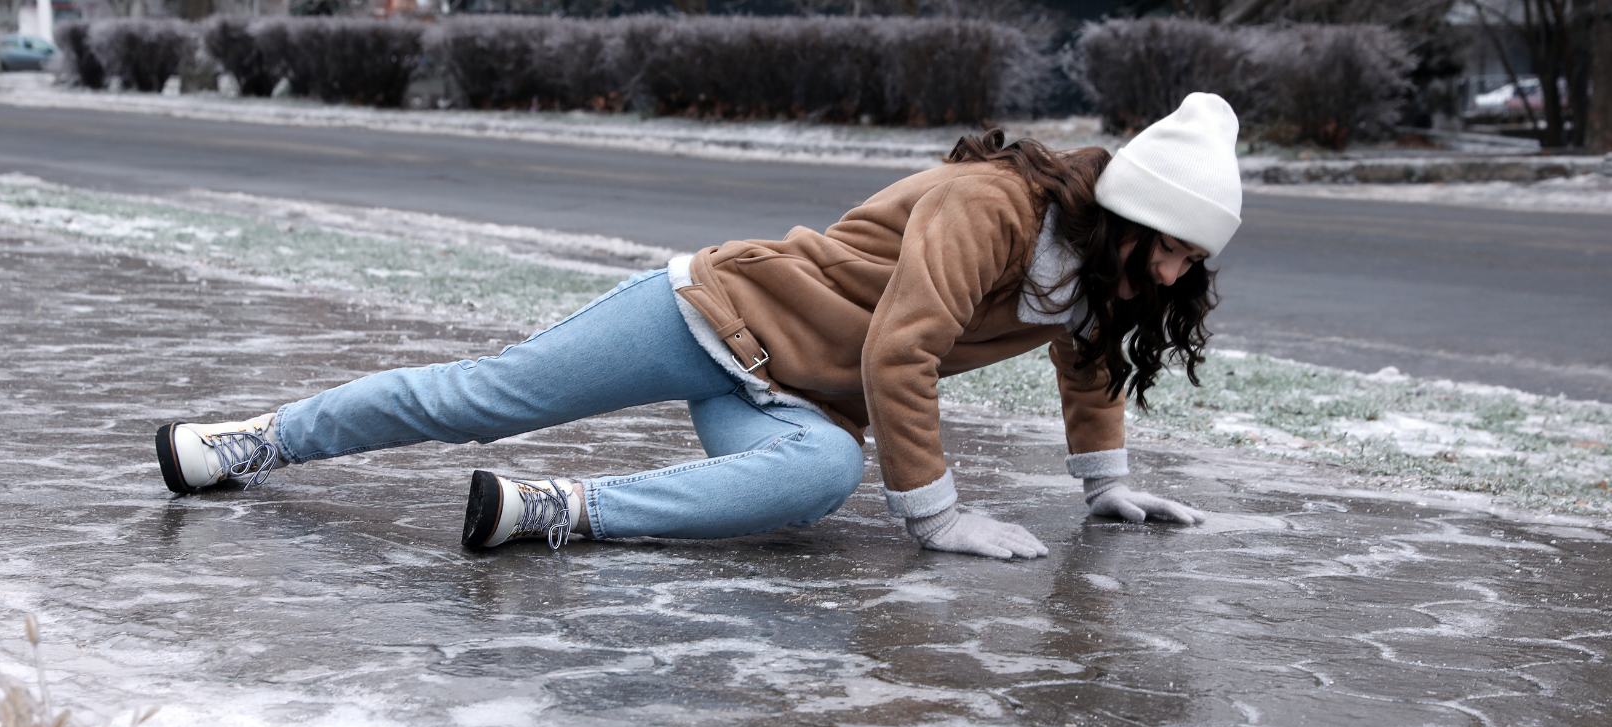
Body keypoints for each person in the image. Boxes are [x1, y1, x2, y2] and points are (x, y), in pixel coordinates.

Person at [154, 93, 1242, 561]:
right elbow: (900, 349)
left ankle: (555, 512)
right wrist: (937, 518)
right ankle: (255, 439)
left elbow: (1088, 355)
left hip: (792, 397)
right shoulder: (991, 207)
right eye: (1170, 246)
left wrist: (1104, 486)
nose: (1176, 271)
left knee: (814, 481)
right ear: (1122, 215)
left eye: (1194, 258)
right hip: (709, 312)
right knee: (483, 399)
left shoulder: (1098, 274)